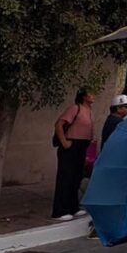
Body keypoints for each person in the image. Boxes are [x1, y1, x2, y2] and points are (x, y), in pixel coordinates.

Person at [52, 90, 94, 221]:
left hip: (82, 145)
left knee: (76, 177)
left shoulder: (89, 111)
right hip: (71, 144)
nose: (93, 96)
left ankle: (72, 207)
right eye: (90, 93)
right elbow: (59, 124)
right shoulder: (75, 109)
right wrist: (64, 142)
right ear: (83, 96)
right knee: (66, 177)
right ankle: (59, 210)